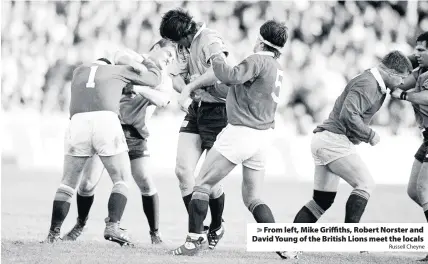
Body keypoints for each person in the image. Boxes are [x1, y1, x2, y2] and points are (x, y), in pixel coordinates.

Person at [171, 20, 290, 258]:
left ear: (260, 40)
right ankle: (282, 245)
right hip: (263, 137)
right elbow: (239, 87)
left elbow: (230, 75)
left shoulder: (257, 59)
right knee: (253, 197)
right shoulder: (277, 66)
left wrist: (214, 56)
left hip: (241, 131)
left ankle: (193, 242)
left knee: (201, 183)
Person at [285, 50, 412, 257]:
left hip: (326, 139)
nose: (402, 82)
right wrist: (369, 134)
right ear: (389, 71)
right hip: (334, 140)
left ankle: (289, 245)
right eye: (401, 77)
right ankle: (352, 236)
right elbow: (348, 114)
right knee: (365, 183)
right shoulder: (368, 83)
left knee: (321, 202)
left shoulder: (372, 81)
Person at [61, 39, 176, 245]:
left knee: (146, 182)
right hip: (109, 127)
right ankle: (80, 224)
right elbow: (115, 55)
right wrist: (130, 63)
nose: (170, 60)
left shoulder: (162, 79)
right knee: (87, 184)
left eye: (173, 58)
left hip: (134, 134)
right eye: (168, 54)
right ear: (156, 48)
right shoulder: (133, 61)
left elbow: (163, 100)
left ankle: (155, 233)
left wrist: (137, 88)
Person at [160, 8, 230, 249]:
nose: (173, 45)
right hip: (197, 109)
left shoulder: (209, 38)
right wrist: (185, 89)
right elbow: (176, 76)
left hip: (220, 111)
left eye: (173, 40)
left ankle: (218, 226)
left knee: (208, 180)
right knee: (182, 171)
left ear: (181, 35)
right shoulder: (182, 46)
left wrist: (191, 88)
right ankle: (198, 233)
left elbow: (218, 71)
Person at [390, 31, 428, 262]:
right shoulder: (421, 72)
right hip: (426, 137)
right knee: (414, 190)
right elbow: (401, 82)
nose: (417, 54)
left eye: (422, 50)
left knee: (423, 189)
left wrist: (403, 95)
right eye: (416, 49)